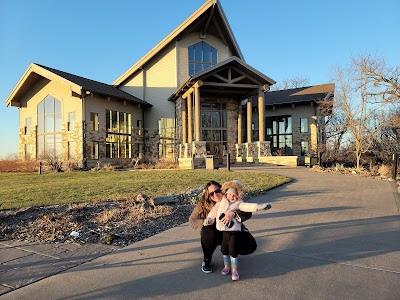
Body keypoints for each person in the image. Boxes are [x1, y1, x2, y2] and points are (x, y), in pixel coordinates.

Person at [204, 180, 271, 281]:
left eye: (234, 195)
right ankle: (226, 266)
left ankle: (234, 270)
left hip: (234, 231)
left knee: (232, 249)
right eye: (211, 194)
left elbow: (247, 207)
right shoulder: (220, 203)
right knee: (224, 249)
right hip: (222, 231)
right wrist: (209, 219)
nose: (232, 197)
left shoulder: (238, 203)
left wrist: (259, 207)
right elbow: (213, 212)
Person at [188, 180, 257, 274]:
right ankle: (207, 260)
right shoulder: (203, 205)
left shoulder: (232, 198)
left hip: (232, 230)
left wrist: (233, 213)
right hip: (214, 233)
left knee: (250, 245)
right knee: (207, 231)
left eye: (217, 191)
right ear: (208, 196)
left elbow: (247, 211)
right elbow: (192, 220)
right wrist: (205, 222)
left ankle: (233, 253)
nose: (215, 195)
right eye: (211, 193)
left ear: (223, 190)